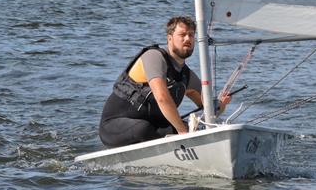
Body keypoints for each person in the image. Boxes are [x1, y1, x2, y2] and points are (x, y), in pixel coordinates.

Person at [98, 16, 231, 148]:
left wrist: (220, 105)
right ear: (169, 38)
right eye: (182, 34)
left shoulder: (186, 75)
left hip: (152, 127)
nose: (187, 39)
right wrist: (183, 133)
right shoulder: (154, 56)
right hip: (113, 127)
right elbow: (162, 98)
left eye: (191, 35)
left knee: (192, 129)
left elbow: (207, 108)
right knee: (145, 129)